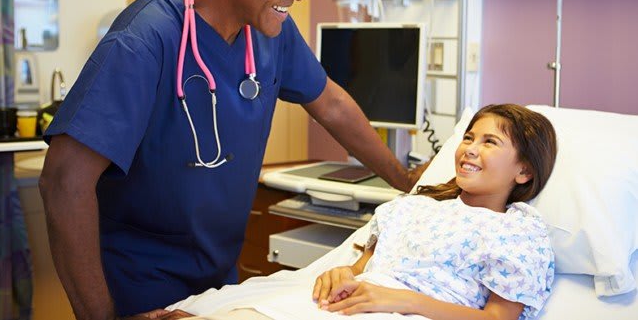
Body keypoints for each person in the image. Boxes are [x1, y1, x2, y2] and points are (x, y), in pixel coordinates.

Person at [38, 0, 423, 320]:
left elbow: (329, 102)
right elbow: (63, 181)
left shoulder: (269, 29)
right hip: (139, 287)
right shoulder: (142, 43)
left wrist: (405, 180)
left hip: (218, 280)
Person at [167, 104, 557, 320]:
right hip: (355, 304)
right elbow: (363, 268)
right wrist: (343, 273)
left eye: (489, 142)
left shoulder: (516, 233)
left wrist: (400, 300)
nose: (469, 148)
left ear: (524, 171)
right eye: (469, 137)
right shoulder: (414, 209)